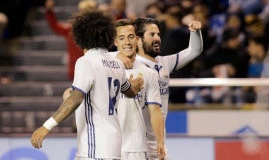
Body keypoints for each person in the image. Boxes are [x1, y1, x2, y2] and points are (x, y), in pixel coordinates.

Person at [30, 10, 144, 159]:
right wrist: (135, 85)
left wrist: (47, 126)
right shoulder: (117, 64)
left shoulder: (86, 61)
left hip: (95, 145)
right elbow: (129, 91)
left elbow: (76, 98)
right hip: (114, 143)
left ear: (82, 36)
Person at [120, 17, 203, 160]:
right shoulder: (129, 65)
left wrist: (196, 32)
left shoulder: (164, 63)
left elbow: (194, 50)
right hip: (134, 143)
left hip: (157, 141)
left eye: (158, 34)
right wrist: (119, 55)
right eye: (152, 35)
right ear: (138, 40)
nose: (157, 38)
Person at [112, 19, 165, 160]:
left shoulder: (149, 74)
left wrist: (160, 141)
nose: (127, 42)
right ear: (115, 42)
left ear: (137, 39)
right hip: (109, 144)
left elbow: (155, 110)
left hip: (136, 147)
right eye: (121, 38)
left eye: (130, 37)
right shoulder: (106, 66)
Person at [44, 0, 98, 80]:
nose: (83, 14)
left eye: (87, 11)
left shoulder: (99, 30)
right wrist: (49, 11)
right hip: (76, 70)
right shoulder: (72, 29)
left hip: (94, 70)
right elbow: (56, 27)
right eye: (82, 11)